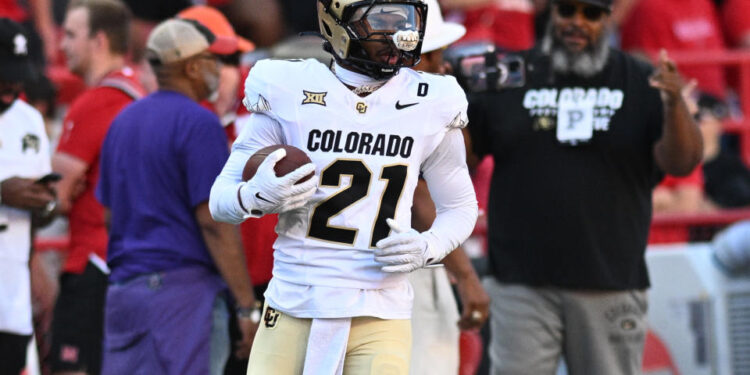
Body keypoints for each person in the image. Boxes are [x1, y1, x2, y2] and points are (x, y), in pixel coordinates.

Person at [209, 0, 479, 373]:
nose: (398, 33)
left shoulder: (432, 100)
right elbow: (220, 201)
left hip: (380, 310)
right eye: (381, 21)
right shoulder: (288, 87)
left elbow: (461, 208)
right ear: (336, 23)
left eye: (405, 19)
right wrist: (255, 195)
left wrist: (428, 247)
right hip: (293, 303)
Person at [465, 0, 703, 374]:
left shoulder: (641, 80)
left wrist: (675, 105)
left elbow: (682, 162)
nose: (577, 22)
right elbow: (464, 158)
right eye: (567, 10)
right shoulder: (508, 72)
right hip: (519, 280)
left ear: (608, 19)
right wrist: (450, 100)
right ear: (552, 14)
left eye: (590, 14)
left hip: (609, 281)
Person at [96, 19, 258, 375]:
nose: (217, 69)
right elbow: (214, 222)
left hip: (124, 291)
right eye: (212, 59)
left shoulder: (123, 120)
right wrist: (246, 305)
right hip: (182, 296)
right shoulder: (199, 123)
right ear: (192, 66)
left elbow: (109, 216)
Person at [49, 2, 144, 373]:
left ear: (99, 41)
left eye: (71, 35)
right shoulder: (140, 92)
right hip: (129, 264)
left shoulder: (96, 102)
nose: (62, 46)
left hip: (93, 263)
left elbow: (55, 195)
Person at [407, 1, 489, 374]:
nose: (441, 68)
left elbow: (462, 161)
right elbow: (423, 203)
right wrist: (468, 278)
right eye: (433, 58)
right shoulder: (406, 109)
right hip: (409, 274)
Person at [0, 18, 56, 375]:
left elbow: (47, 207)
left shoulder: (30, 120)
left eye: (18, 74)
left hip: (11, 294)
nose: (13, 84)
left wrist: (44, 203)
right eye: (4, 74)